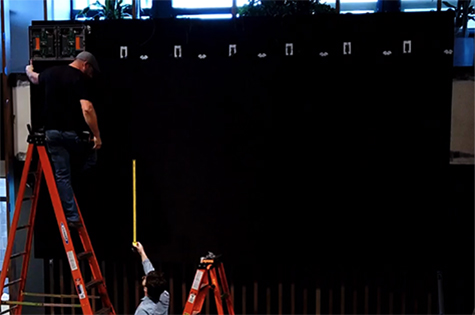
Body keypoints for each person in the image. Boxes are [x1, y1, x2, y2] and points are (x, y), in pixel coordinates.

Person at [25, 51, 102, 228]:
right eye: (90, 72)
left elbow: (34, 78)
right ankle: (80, 185)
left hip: (51, 134)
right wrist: (97, 136)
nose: (89, 75)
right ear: (85, 65)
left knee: (62, 175)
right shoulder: (78, 78)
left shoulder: (51, 73)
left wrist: (28, 68)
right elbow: (87, 108)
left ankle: (72, 216)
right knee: (92, 156)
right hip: (72, 134)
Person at [133, 242, 169, 315]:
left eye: (145, 278)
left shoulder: (143, 310)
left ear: (145, 289)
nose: (144, 276)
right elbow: (150, 270)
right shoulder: (165, 296)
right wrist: (141, 252)